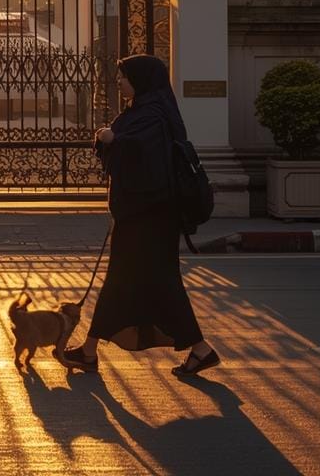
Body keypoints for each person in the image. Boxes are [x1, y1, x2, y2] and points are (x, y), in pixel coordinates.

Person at [57, 54, 222, 378]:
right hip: (142, 214)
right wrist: (111, 141)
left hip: (150, 216)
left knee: (131, 281)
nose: (119, 81)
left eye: (124, 76)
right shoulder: (143, 111)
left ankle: (91, 351)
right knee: (150, 283)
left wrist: (113, 140)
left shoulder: (153, 115)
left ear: (141, 80)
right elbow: (129, 150)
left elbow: (146, 159)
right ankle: (199, 350)